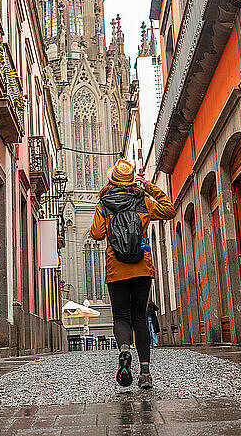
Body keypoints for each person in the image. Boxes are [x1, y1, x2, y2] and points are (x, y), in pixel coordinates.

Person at [90, 159, 176, 389]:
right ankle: (145, 373)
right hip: (141, 267)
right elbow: (169, 210)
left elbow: (96, 234)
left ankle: (124, 350)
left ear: (112, 180)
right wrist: (148, 187)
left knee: (121, 317)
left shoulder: (104, 204)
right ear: (131, 180)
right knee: (139, 318)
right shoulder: (143, 202)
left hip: (116, 268)